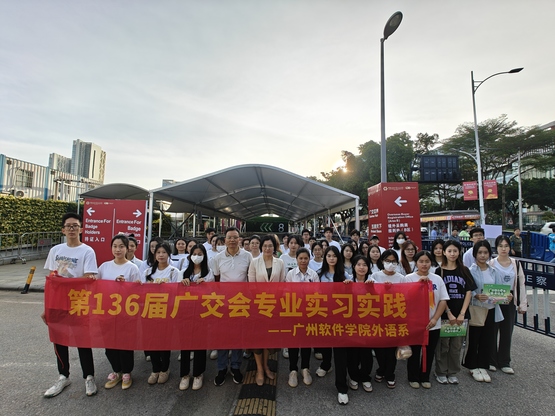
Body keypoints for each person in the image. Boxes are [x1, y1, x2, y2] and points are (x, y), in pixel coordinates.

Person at [43, 213, 99, 398]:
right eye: (68, 226)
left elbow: (89, 278)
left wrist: (69, 282)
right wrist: (46, 308)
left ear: (81, 229)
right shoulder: (56, 250)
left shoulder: (87, 251)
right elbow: (51, 280)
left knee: (83, 340)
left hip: (78, 302)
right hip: (58, 302)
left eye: (75, 225)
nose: (72, 229)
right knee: (59, 339)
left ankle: (89, 376)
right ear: (63, 230)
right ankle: (63, 376)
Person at [97, 234, 141, 391]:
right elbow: (97, 287)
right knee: (109, 344)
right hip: (107, 313)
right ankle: (116, 370)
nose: (118, 249)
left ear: (127, 248)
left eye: (121, 246)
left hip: (126, 314)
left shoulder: (132, 268)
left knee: (125, 344)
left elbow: (137, 292)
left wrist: (126, 285)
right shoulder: (104, 267)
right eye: (115, 246)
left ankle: (127, 372)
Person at [211, 227, 252, 386]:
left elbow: (250, 277)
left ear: (239, 239)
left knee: (237, 335)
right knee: (222, 336)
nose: (232, 240)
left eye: (235, 237)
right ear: (225, 240)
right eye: (229, 237)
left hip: (241, 302)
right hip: (223, 302)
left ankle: (235, 367)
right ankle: (222, 368)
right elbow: (216, 278)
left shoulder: (247, 256)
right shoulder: (218, 258)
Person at [463, 241, 507, 383]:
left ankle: (483, 365)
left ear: (489, 254)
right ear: (475, 254)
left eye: (485, 252)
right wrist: (475, 295)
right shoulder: (470, 270)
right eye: (480, 252)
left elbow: (500, 289)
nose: (482, 255)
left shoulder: (494, 271)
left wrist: (506, 296)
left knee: (487, 339)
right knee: (474, 338)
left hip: (491, 309)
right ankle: (472, 366)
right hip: (477, 309)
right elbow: (467, 290)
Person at [405, 251, 449, 389]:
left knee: (429, 352)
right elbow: (405, 300)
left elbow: (443, 300)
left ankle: (425, 376)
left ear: (431, 262)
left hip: (433, 323)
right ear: (416, 262)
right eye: (421, 261)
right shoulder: (408, 278)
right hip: (415, 323)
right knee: (414, 352)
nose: (424, 264)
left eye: (427, 261)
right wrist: (418, 285)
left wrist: (435, 319)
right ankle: (413, 377)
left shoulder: (437, 279)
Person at [435, 240, 476, 385]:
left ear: (459, 252)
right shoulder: (439, 271)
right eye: (449, 251)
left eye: (455, 251)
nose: (452, 254)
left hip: (461, 315)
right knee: (443, 345)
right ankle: (440, 371)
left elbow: (468, 292)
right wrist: (449, 312)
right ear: (444, 252)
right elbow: (439, 294)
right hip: (444, 314)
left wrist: (462, 313)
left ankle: (452, 372)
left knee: (456, 346)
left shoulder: (464, 270)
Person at [247, 235, 286, 386]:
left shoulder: (280, 262)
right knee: (257, 339)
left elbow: (282, 283)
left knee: (268, 339)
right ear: (261, 247)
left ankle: (266, 366)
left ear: (274, 247)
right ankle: (259, 370)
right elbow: (251, 285)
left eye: (270, 246)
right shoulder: (254, 262)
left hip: (273, 306)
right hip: (258, 305)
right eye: (265, 246)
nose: (267, 248)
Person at [142, 242, 180, 385]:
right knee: (152, 342)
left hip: (167, 312)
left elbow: (177, 293)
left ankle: (165, 369)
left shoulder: (174, 272)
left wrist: (164, 289)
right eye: (158, 252)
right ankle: (155, 369)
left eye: (164, 252)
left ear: (169, 254)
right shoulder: (147, 272)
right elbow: (141, 291)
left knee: (164, 341)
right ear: (154, 254)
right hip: (151, 312)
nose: (161, 255)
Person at [319, 246, 353, 404]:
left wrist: (348, 285)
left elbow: (353, 294)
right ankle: (326, 365)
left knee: (340, 354)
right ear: (325, 258)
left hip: (340, 318)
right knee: (325, 346)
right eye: (329, 256)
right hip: (324, 316)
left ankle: (342, 388)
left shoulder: (345, 275)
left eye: (334, 256)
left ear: (338, 258)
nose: (331, 258)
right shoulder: (320, 275)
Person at [489, 235, 527, 374]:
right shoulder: (491, 263)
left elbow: (521, 284)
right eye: (500, 246)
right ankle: (491, 360)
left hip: (510, 299)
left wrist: (522, 304)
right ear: (496, 248)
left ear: (510, 248)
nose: (503, 249)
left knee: (507, 331)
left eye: (506, 246)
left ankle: (504, 361)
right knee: (492, 330)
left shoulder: (516, 264)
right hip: (495, 299)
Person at [369, 249, 407, 389]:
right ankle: (381, 369)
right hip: (378, 318)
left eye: (393, 261)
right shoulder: (375, 276)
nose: (390, 264)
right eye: (387, 261)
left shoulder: (401, 278)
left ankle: (390, 373)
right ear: (382, 261)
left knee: (391, 349)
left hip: (394, 318)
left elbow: (406, 296)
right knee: (379, 348)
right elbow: (369, 295)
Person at [179, 244, 214, 391]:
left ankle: (198, 373)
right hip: (186, 313)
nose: (197, 256)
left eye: (200, 254)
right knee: (185, 344)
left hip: (202, 313)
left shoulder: (209, 273)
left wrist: (206, 285)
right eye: (194, 254)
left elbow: (214, 293)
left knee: (200, 343)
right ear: (190, 255)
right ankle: (184, 374)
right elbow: (176, 292)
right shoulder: (183, 272)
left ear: (204, 256)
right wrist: (182, 284)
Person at [285, 248, 319, 388]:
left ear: (309, 259)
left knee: (306, 341)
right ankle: (293, 370)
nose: (303, 261)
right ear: (296, 260)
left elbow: (317, 293)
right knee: (293, 341)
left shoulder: (314, 274)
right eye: (301, 258)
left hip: (309, 312)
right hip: (294, 311)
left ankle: (305, 368)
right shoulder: (290, 274)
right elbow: (287, 293)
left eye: (305, 258)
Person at [346, 255, 374, 393]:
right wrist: (345, 287)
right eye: (359, 264)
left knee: (366, 352)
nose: (361, 268)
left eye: (364, 265)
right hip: (352, 323)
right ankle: (353, 376)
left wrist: (373, 288)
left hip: (368, 323)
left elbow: (381, 300)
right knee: (353, 352)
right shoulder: (348, 281)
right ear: (354, 266)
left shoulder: (373, 282)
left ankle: (365, 377)